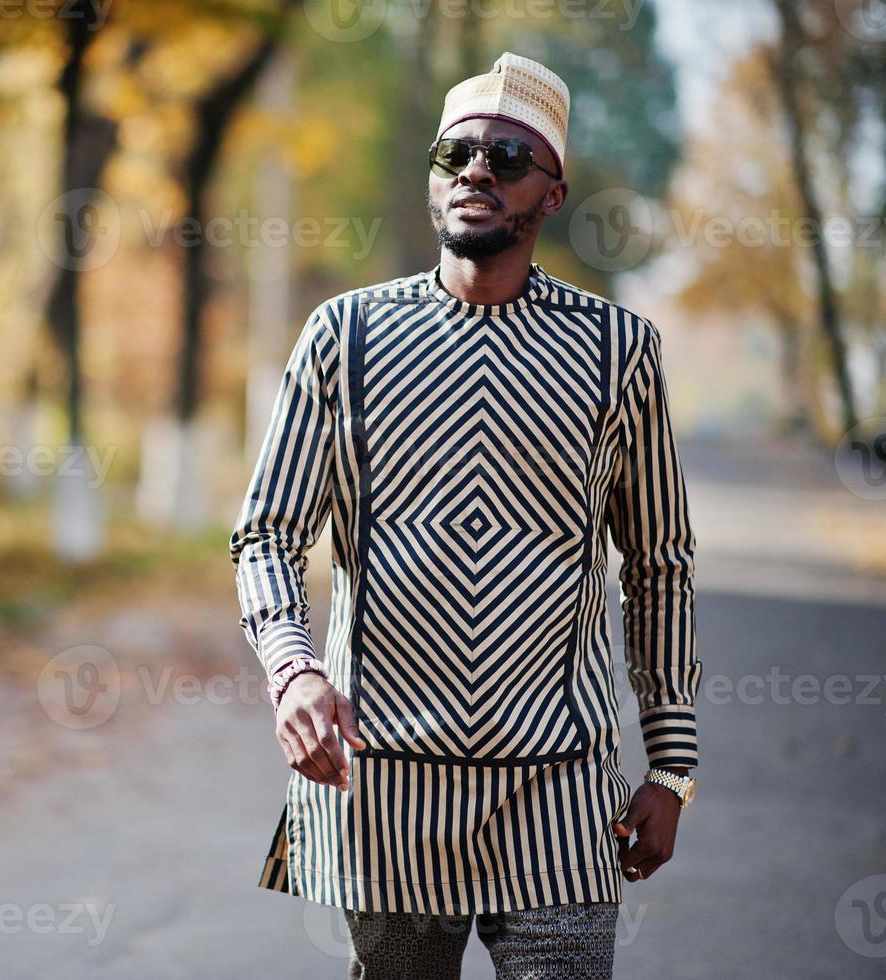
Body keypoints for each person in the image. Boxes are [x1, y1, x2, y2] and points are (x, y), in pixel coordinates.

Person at [228, 52, 701, 979]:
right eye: (458, 154)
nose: (477, 169)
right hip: (384, 783)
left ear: (552, 193)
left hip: (558, 791)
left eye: (507, 156)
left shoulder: (617, 352)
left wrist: (671, 765)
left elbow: (658, 565)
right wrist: (291, 673)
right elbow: (266, 532)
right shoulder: (344, 336)